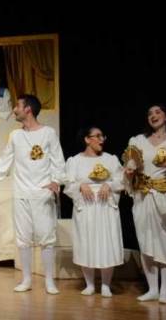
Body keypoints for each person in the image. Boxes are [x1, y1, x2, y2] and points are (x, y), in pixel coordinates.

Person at [0, 94, 66, 295]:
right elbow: (4, 161)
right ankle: (26, 279)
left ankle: (49, 280)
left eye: (17, 106)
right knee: (23, 238)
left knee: (46, 237)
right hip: (21, 193)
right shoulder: (16, 136)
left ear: (28, 109)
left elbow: (58, 161)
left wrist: (56, 181)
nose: (14, 110)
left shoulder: (48, 133)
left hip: (42, 193)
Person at [122, 104, 166, 303]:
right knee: (146, 241)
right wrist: (129, 172)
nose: (153, 115)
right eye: (150, 113)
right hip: (143, 197)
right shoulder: (138, 141)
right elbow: (130, 164)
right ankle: (152, 288)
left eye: (158, 112)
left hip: (165, 197)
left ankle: (165, 290)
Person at [63, 126, 124, 297]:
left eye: (102, 136)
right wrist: (80, 185)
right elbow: (67, 183)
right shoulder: (74, 161)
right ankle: (89, 284)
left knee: (107, 243)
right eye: (97, 136)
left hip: (105, 206)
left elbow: (121, 180)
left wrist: (109, 184)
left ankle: (105, 285)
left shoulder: (111, 159)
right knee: (86, 242)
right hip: (86, 206)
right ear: (87, 139)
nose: (101, 139)